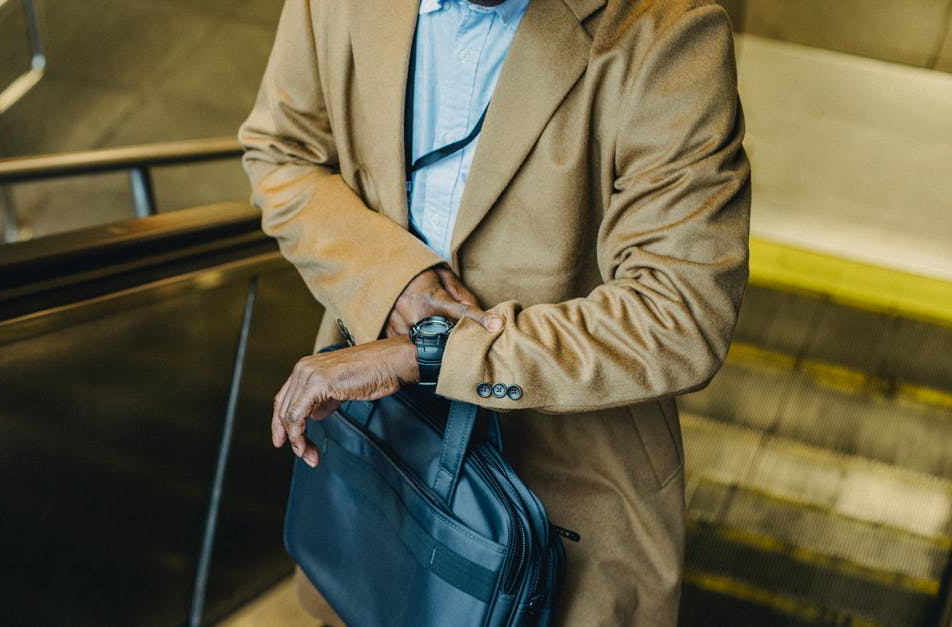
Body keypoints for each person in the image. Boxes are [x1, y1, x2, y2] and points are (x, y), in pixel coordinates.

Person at [239, 0, 750, 623]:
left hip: (567, 498)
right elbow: (282, 153)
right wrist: (392, 281)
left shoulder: (669, 33)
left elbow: (681, 314)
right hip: (379, 452)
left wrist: (429, 354)